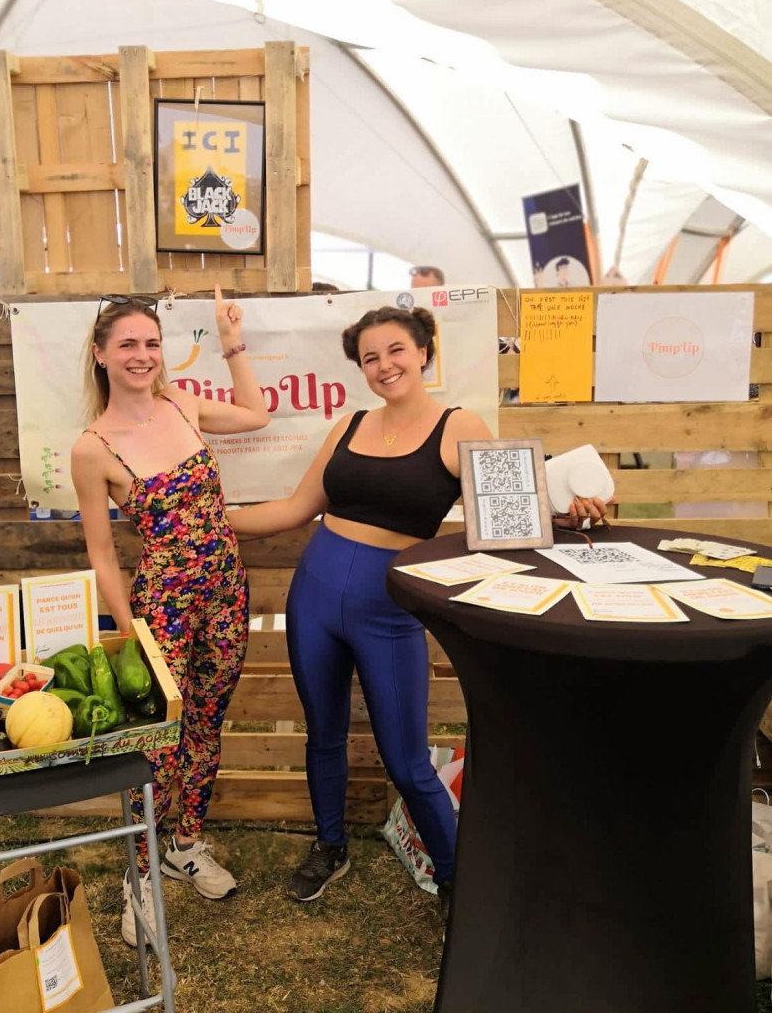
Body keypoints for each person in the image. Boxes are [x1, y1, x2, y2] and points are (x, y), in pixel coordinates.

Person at [226, 305, 606, 922]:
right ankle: (330, 846)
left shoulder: (459, 426)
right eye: (370, 358)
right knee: (323, 732)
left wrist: (562, 515)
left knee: (405, 758)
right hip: (314, 594)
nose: (384, 366)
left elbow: (507, 515)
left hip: (388, 608)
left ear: (424, 352)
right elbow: (296, 508)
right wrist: (208, 520)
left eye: (396, 350)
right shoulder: (349, 425)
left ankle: (459, 881)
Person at [70, 286, 269, 946]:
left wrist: (231, 341)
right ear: (101, 353)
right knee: (157, 743)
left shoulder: (182, 403)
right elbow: (102, 553)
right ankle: (139, 877)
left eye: (152, 343)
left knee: (207, 723)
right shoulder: (92, 448)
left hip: (226, 592)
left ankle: (186, 845)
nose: (142, 355)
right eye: (127, 343)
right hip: (164, 607)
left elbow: (256, 414)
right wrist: (129, 631)